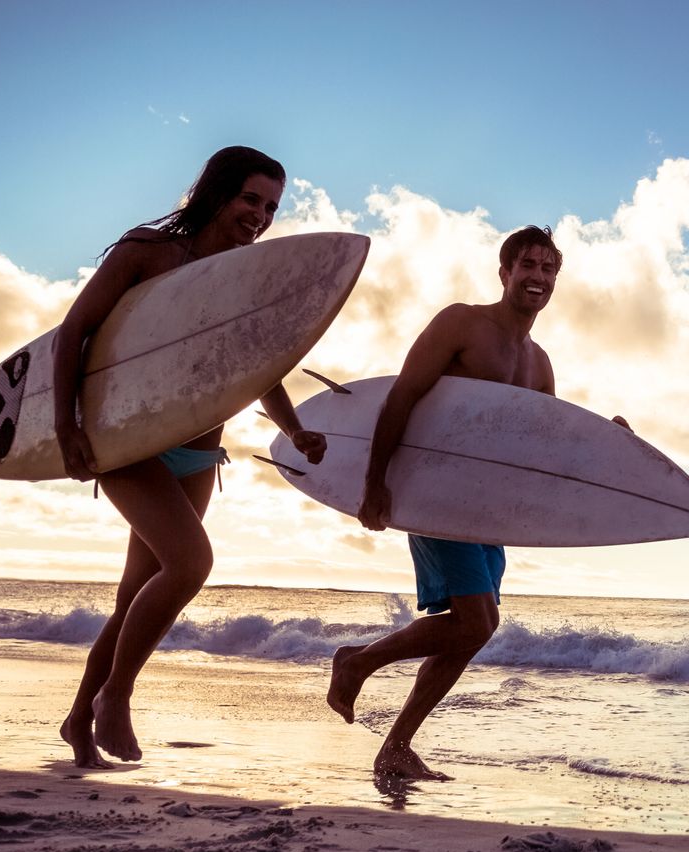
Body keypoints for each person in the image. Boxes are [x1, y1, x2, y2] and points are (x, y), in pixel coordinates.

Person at [57, 146, 326, 768]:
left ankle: (78, 718)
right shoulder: (146, 254)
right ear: (216, 192)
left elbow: (256, 370)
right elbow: (75, 332)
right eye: (250, 199)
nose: (259, 216)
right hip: (128, 445)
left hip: (200, 456)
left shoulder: (246, 278)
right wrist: (70, 423)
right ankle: (114, 699)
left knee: (134, 601)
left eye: (271, 207)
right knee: (189, 564)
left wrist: (297, 428)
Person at [327, 226, 629, 780]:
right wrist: (375, 484)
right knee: (476, 621)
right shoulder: (462, 323)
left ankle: (395, 746)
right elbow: (400, 399)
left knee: (474, 629)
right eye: (527, 265)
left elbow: (545, 449)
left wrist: (606, 446)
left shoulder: (539, 365)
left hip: (487, 511)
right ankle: (357, 660)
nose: (537, 276)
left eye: (547, 269)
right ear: (504, 271)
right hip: (437, 493)